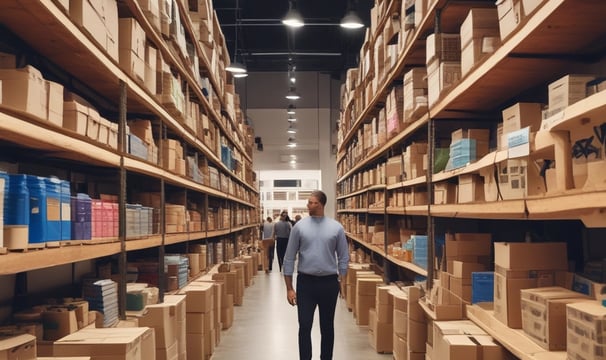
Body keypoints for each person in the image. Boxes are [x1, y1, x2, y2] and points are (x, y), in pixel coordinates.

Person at [283, 190, 349, 360]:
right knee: (304, 325)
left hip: (329, 283)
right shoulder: (299, 227)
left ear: (321, 204)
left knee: (327, 327)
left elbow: (343, 257)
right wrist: (289, 288)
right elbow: (289, 258)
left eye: (312, 202)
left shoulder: (336, 228)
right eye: (308, 202)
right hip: (306, 283)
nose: (308, 205)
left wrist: (343, 280)